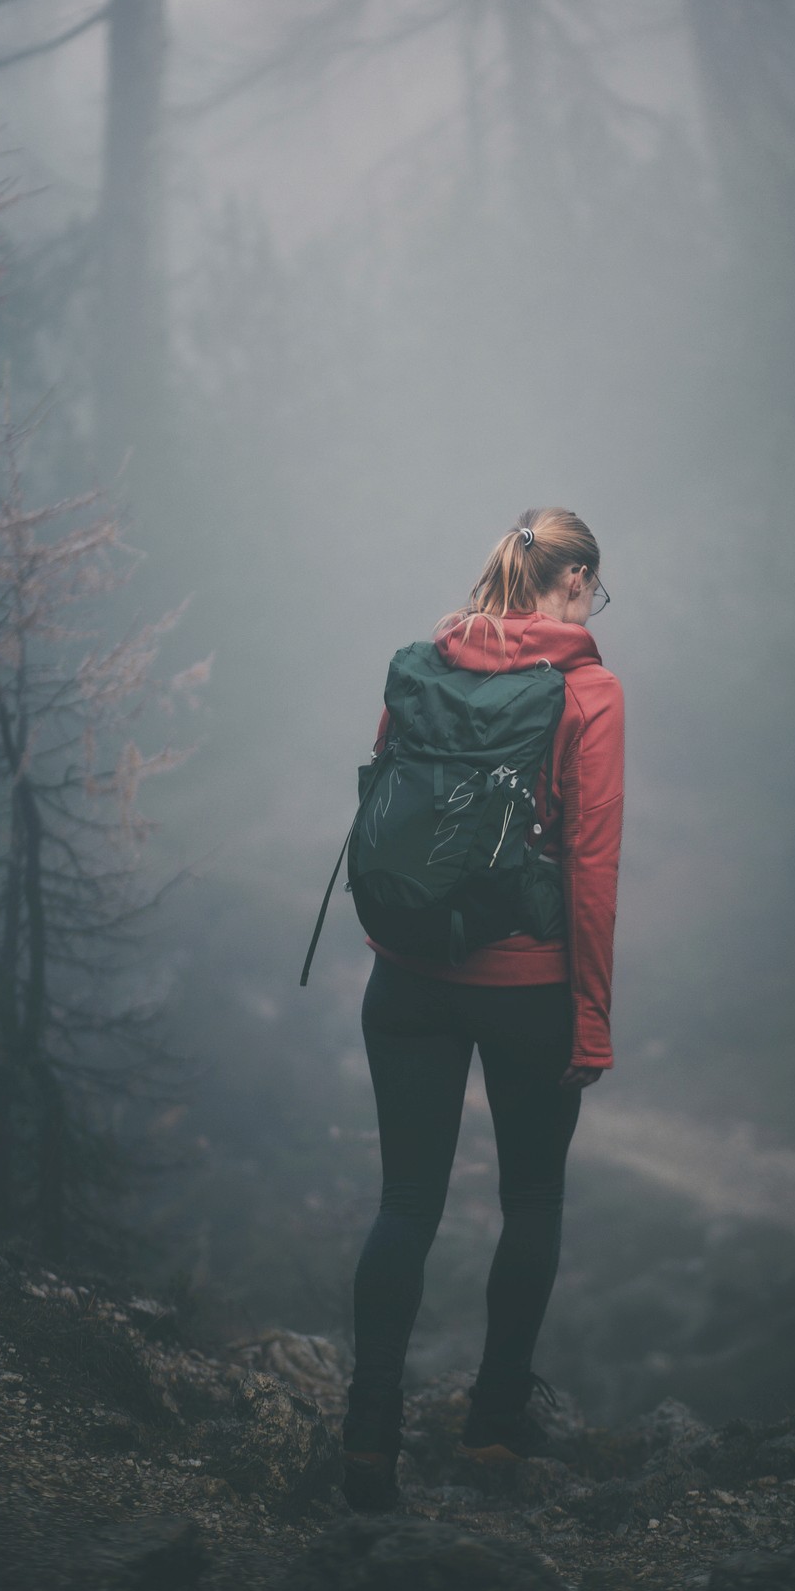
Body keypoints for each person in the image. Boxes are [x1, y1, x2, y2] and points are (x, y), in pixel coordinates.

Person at [341, 507, 625, 1512]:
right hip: (526, 988)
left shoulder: (426, 662)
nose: (597, 602)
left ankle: (366, 1444)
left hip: (408, 977)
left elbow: (388, 801)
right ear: (573, 579)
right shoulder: (588, 693)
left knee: (403, 1205)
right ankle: (493, 1436)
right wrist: (588, 1017)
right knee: (532, 1202)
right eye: (595, 584)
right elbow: (590, 868)